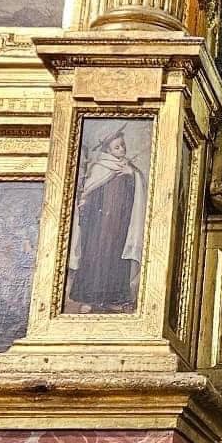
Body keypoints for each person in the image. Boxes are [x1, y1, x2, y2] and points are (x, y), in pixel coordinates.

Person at [67, 130, 151, 312]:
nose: (122, 150)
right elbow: (89, 193)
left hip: (119, 225)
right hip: (99, 226)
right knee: (96, 259)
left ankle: (113, 299)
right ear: (107, 149)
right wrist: (85, 205)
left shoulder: (129, 168)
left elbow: (138, 194)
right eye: (117, 147)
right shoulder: (100, 168)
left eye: (123, 146)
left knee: (115, 259)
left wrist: (132, 175)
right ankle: (89, 299)